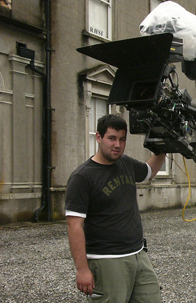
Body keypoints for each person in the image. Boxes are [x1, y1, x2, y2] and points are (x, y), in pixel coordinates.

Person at [65, 114, 166, 302]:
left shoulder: (125, 163)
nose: (117, 144)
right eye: (111, 138)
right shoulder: (82, 177)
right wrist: (82, 269)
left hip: (138, 254)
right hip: (106, 260)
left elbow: (149, 171)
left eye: (122, 139)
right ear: (98, 137)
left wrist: (163, 148)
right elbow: (74, 225)